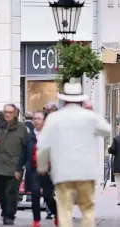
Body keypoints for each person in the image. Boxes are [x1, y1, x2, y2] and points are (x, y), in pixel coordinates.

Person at [37, 83, 111, 227]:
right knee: (87, 208)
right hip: (86, 171)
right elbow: (106, 131)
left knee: (64, 209)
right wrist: (93, 111)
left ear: (63, 101)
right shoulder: (90, 117)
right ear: (82, 100)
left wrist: (42, 167)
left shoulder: (54, 118)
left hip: (63, 172)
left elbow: (43, 146)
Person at [16, 111, 58, 227]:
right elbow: (23, 154)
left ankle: (57, 214)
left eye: (39, 118)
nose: (36, 121)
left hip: (46, 170)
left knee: (48, 196)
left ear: (44, 121)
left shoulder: (50, 136)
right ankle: (36, 220)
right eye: (34, 118)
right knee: (34, 194)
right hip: (33, 169)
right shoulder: (29, 137)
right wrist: (18, 168)